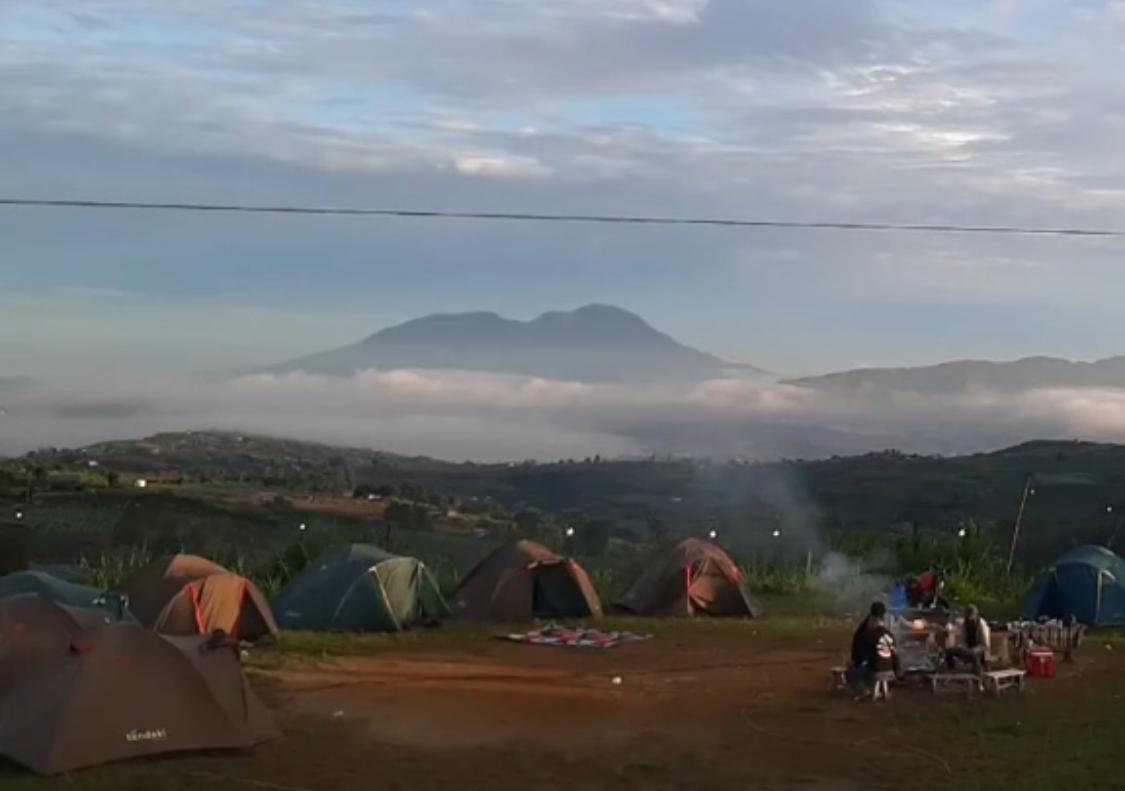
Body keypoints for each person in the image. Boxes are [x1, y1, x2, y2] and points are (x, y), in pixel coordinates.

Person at [850, 601, 900, 692]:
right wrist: (897, 671)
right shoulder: (889, 634)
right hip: (890, 672)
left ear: (872, 618)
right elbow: (895, 655)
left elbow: (859, 655)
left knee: (854, 671)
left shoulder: (867, 634)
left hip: (875, 671)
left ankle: (863, 690)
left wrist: (857, 663)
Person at [945, 604, 991, 675]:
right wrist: (963, 647)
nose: (970, 618)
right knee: (949, 651)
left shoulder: (981, 624)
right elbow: (963, 638)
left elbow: (986, 644)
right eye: (968, 615)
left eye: (971, 615)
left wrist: (976, 649)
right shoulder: (965, 623)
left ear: (975, 614)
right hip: (968, 647)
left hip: (981, 647)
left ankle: (979, 673)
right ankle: (951, 670)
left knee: (973, 653)